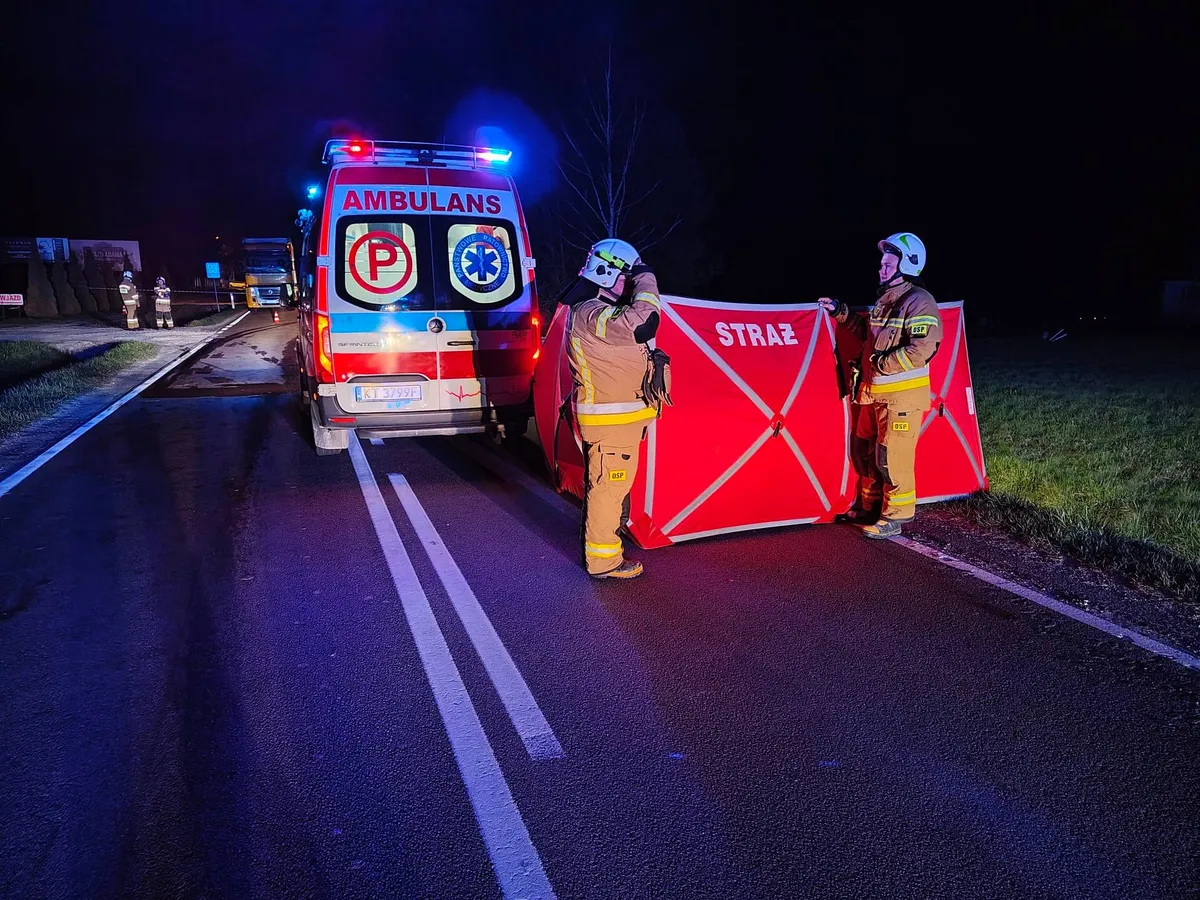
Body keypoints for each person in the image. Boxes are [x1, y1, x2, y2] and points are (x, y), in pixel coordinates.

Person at [819, 232, 943, 539]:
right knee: (863, 450)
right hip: (873, 394)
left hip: (901, 400)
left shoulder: (918, 301)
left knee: (892, 458)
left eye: (888, 264)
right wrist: (839, 311)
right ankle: (870, 506)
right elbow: (867, 332)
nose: (881, 269)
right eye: (882, 263)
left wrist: (881, 365)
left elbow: (924, 347)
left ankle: (896, 515)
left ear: (908, 265)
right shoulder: (885, 300)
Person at [563, 238, 664, 580]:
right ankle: (603, 560)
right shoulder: (592, 313)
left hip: (619, 421)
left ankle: (610, 538)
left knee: (612, 487)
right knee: (609, 488)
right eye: (626, 277)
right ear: (605, 273)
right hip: (611, 423)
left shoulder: (599, 312)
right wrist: (647, 278)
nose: (629, 285)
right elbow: (643, 323)